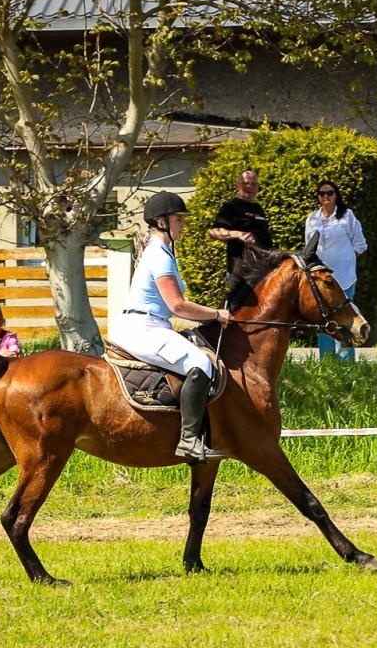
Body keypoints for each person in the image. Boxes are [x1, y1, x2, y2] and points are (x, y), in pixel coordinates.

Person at [112, 191, 234, 464]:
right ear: (161, 221)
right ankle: (189, 441)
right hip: (143, 328)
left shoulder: (163, 252)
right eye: (178, 219)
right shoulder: (160, 256)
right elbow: (177, 305)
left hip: (151, 324)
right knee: (201, 365)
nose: (183, 224)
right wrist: (216, 314)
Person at [303, 181, 368, 361]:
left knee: (345, 320)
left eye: (330, 193)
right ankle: (327, 362)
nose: (326, 197)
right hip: (320, 281)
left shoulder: (347, 216)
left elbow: (361, 244)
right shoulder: (312, 219)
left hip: (344, 278)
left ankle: (346, 363)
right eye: (322, 193)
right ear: (318, 197)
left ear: (336, 195)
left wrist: (347, 258)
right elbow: (309, 249)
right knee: (324, 321)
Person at [206, 169, 272, 306]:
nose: (249, 187)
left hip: (261, 268)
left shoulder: (258, 208)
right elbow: (214, 232)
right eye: (245, 183)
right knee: (238, 307)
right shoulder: (231, 207)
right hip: (240, 270)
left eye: (253, 183)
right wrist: (237, 234)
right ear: (238, 185)